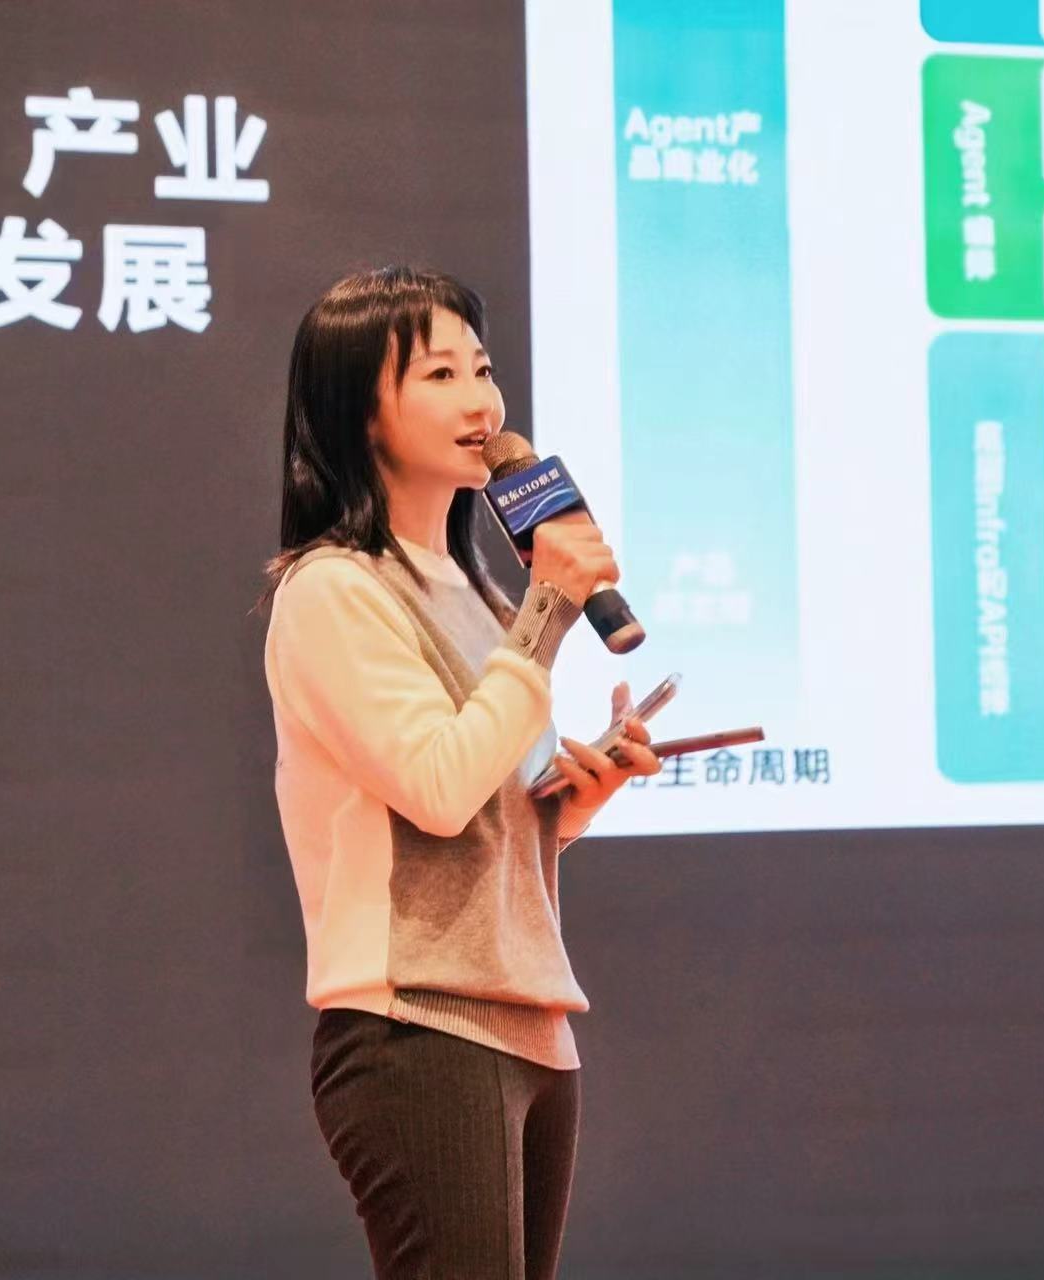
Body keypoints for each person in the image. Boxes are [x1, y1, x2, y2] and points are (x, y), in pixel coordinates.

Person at [260, 265, 662, 1279]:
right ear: (360, 411)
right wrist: (549, 609)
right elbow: (435, 791)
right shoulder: (334, 589)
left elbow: (479, 807)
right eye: (439, 374)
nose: (481, 400)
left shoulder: (479, 587)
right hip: (417, 1027)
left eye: (482, 369)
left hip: (530, 1021)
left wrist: (570, 803)